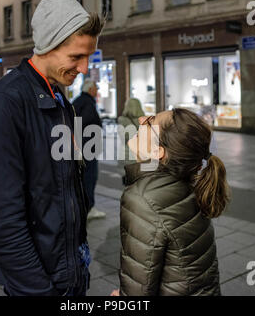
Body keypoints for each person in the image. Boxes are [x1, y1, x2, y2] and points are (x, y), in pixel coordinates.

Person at [0, 0, 104, 296]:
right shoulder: (4, 105)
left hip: (68, 272)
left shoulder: (57, 98)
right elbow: (2, 222)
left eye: (89, 57)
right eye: (76, 57)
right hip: (40, 283)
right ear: (48, 46)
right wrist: (38, 290)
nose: (84, 68)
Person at [111, 108, 230, 296]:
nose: (141, 119)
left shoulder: (144, 198)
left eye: (150, 121)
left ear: (157, 151)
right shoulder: (187, 181)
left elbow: (138, 289)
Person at [72, 78, 106, 220]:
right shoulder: (87, 103)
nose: (97, 91)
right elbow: (87, 124)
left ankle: (82, 206)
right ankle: (88, 208)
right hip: (87, 147)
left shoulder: (78, 101)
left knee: (81, 178)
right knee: (89, 177)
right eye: (96, 88)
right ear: (90, 90)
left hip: (79, 147)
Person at [117, 98, 145, 184]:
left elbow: (124, 137)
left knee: (128, 184)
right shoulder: (144, 121)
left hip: (126, 156)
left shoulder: (122, 120)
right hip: (141, 156)